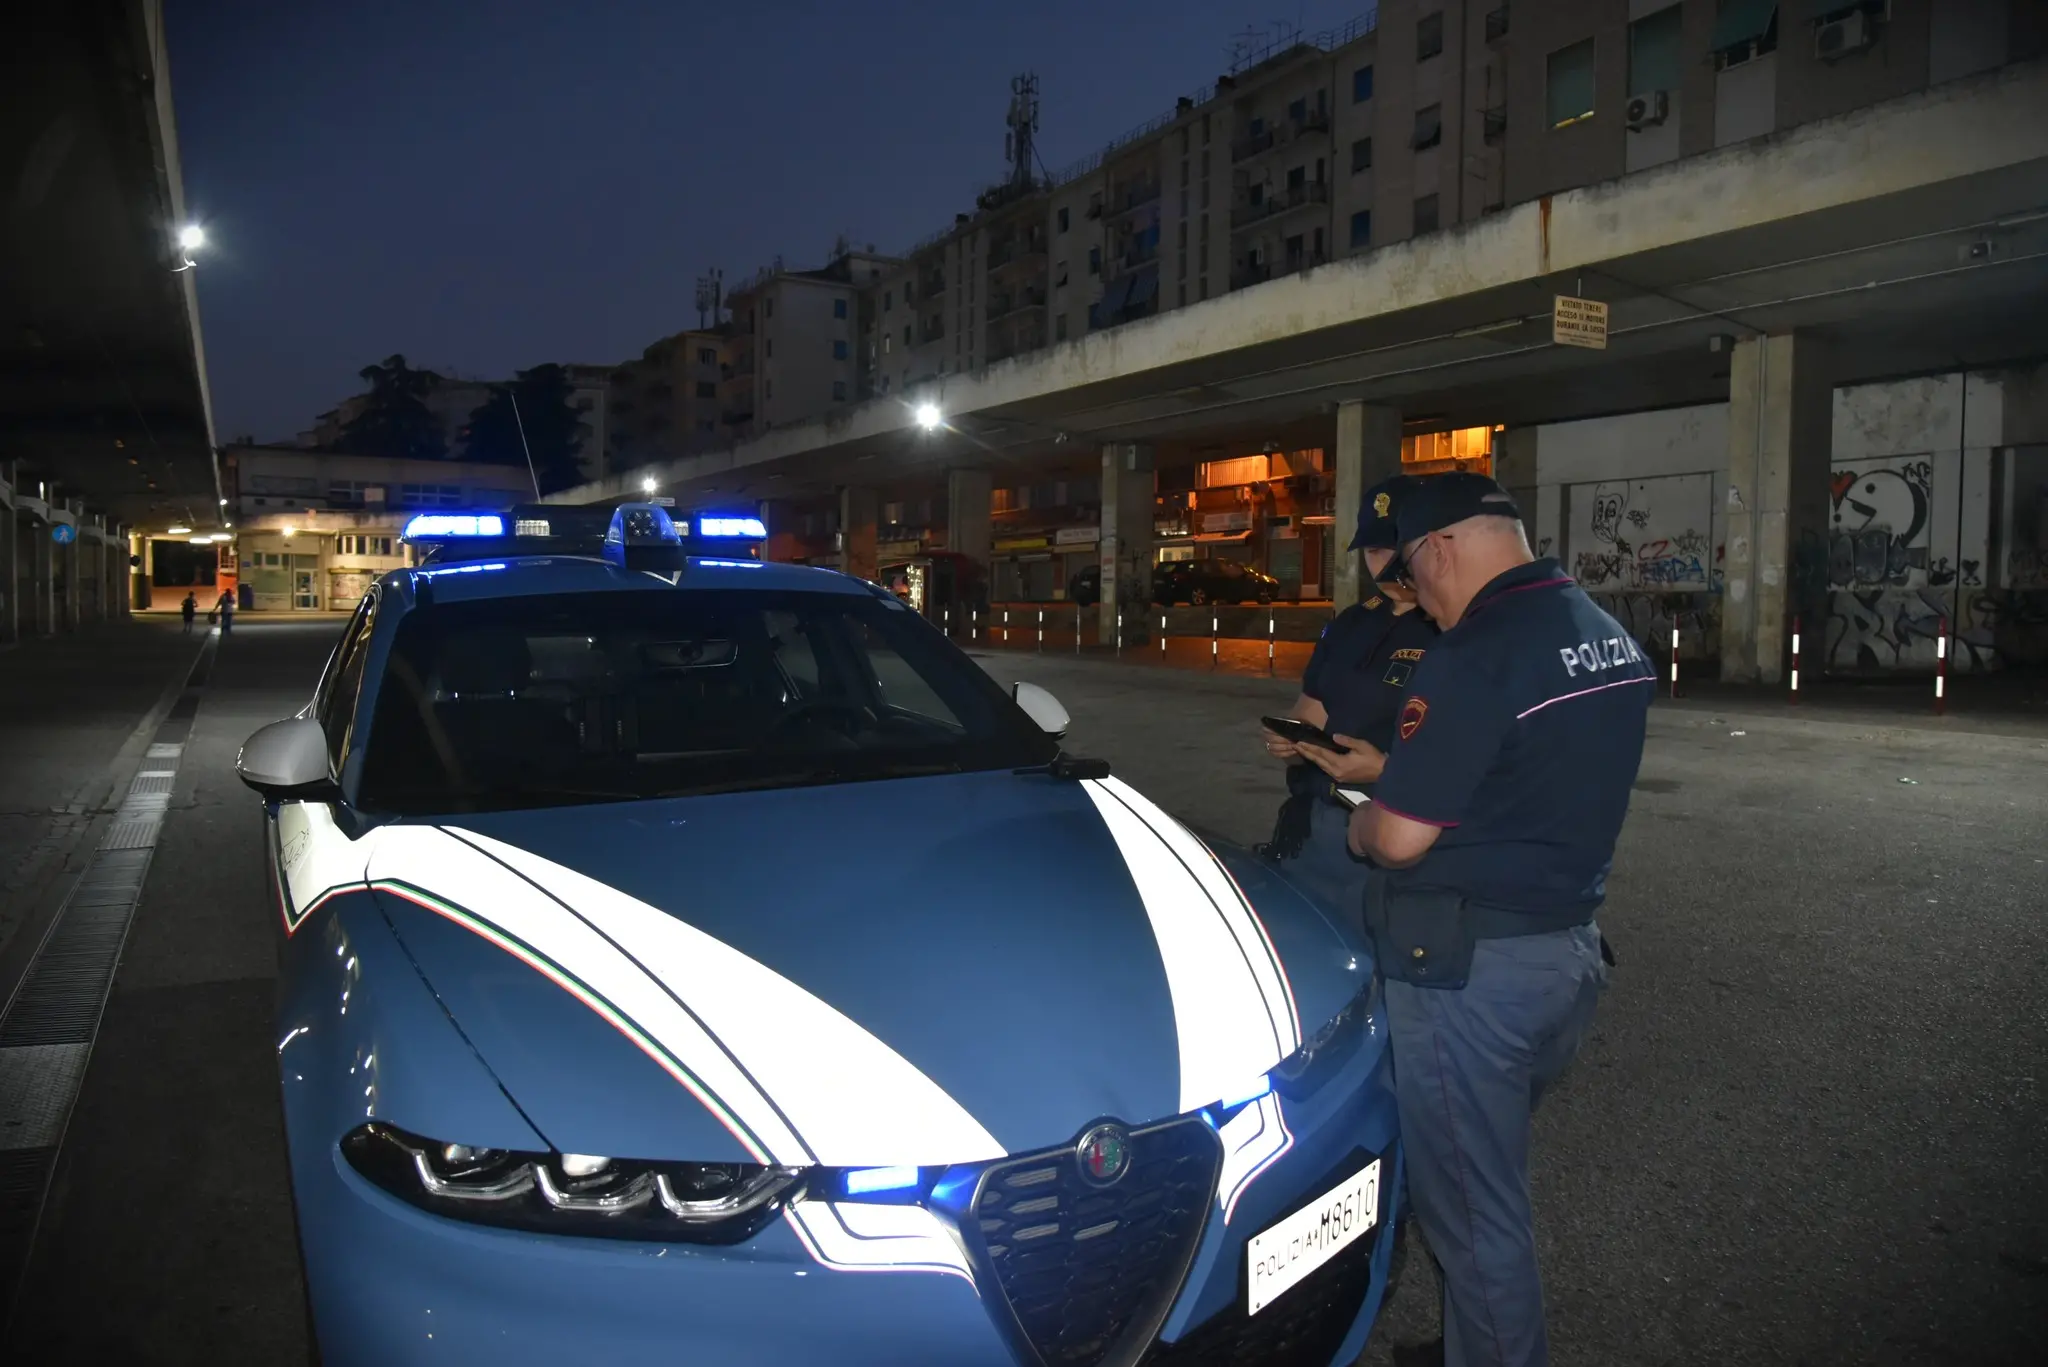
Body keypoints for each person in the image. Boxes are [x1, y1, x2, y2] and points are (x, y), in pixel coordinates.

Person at [1346, 473, 1652, 1367]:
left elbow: (1401, 838)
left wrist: (1364, 815)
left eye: (1412, 570)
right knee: (1482, 1178)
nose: (1418, 600)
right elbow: (1526, 776)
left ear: (1440, 547)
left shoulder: (1477, 654)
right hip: (1568, 956)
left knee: (1477, 1218)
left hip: (1470, 979)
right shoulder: (1604, 634)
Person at [1255, 475, 1436, 927]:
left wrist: (1386, 772)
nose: (1386, 564)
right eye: (1374, 552)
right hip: (1313, 826)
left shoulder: (1450, 627)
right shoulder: (1352, 623)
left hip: (1393, 829)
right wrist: (1291, 738)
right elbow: (1311, 707)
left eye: (1396, 549)